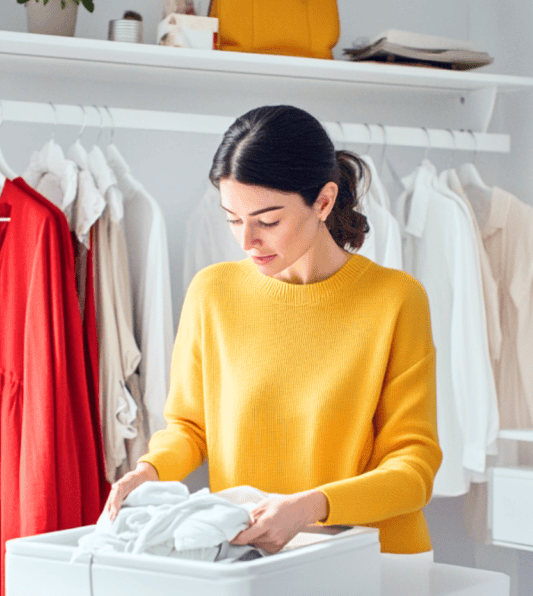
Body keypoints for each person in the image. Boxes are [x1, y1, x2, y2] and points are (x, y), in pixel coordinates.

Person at [104, 105, 441, 554]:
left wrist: (312, 506)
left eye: (267, 221)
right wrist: (149, 470)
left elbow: (413, 467)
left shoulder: (396, 299)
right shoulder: (213, 292)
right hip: (253, 555)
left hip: (375, 559)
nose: (246, 241)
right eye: (233, 219)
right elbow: (188, 427)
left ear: (323, 202)